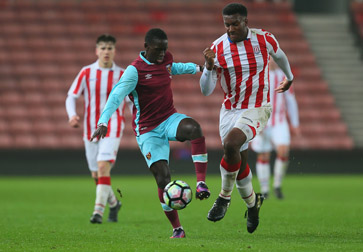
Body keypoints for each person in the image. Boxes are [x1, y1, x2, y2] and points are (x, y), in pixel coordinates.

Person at [91, 28, 210, 238]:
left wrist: (199, 68)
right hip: (148, 130)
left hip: (169, 118)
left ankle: (201, 183)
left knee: (194, 128)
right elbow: (116, 95)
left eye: (165, 50)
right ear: (146, 48)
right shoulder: (134, 71)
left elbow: (175, 67)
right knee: (163, 179)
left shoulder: (165, 60)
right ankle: (177, 229)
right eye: (158, 50)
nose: (163, 54)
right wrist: (103, 121)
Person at [199, 3, 294, 233]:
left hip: (258, 107)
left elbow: (279, 55)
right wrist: (209, 67)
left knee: (230, 144)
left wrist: (289, 77)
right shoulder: (218, 48)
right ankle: (253, 204)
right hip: (230, 110)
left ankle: (223, 197)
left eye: (235, 23)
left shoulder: (264, 39)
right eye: (227, 24)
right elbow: (206, 90)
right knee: (238, 162)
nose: (230, 28)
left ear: (245, 22)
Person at [65, 34, 132, 224]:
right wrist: (72, 115)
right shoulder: (86, 72)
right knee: (97, 174)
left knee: (103, 166)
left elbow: (130, 101)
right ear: (96, 50)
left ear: (114, 51)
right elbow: (71, 96)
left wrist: (137, 118)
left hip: (113, 126)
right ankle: (114, 203)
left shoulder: (122, 75)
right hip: (90, 129)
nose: (106, 51)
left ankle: (98, 213)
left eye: (110, 48)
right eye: (102, 48)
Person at [251, 58, 300, 200]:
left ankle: (277, 185)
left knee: (283, 150)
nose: (271, 61)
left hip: (279, 120)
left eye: (273, 58)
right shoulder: (258, 75)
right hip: (262, 121)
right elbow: (253, 99)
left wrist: (295, 123)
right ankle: (265, 189)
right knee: (263, 155)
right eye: (269, 58)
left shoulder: (284, 76)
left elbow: (291, 100)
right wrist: (255, 121)